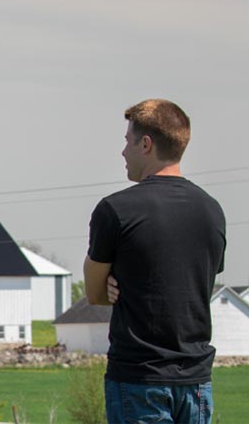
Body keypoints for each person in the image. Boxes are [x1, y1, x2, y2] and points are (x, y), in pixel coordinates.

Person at [83, 99, 226, 424]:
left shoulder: (115, 210)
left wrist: (113, 284)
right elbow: (195, 281)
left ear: (145, 144)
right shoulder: (212, 210)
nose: (123, 152)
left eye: (127, 141)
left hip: (139, 378)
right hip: (197, 381)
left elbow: (94, 293)